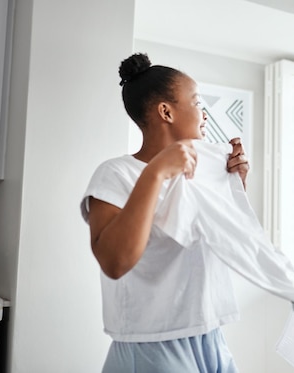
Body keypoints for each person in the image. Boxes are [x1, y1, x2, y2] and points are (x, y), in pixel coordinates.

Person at [80, 53, 249, 372]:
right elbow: (114, 262)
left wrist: (237, 186)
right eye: (198, 102)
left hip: (210, 338)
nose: (204, 115)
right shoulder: (116, 174)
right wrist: (155, 173)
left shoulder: (199, 177)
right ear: (166, 111)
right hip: (151, 347)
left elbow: (230, 247)